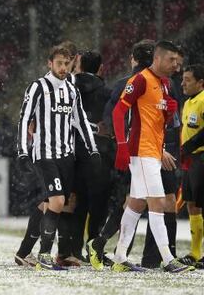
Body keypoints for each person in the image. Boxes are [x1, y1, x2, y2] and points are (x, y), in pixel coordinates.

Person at [108, 40, 193, 273]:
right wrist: (123, 145)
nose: (175, 65)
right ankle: (168, 259)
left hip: (153, 150)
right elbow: (118, 112)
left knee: (136, 203)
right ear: (157, 58)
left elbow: (158, 121)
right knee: (159, 203)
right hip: (142, 151)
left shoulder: (164, 84)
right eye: (171, 60)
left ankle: (120, 257)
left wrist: (167, 114)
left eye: (177, 61)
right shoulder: (140, 80)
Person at [16, 45, 99, 270]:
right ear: (49, 63)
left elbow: (79, 120)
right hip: (44, 154)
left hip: (66, 155)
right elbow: (25, 119)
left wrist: (93, 150)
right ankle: (44, 253)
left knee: (48, 205)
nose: (63, 68)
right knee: (58, 202)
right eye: (59, 63)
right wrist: (23, 150)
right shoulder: (37, 87)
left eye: (67, 63)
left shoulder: (72, 90)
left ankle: (23, 253)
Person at [87, 39, 155, 268]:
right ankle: (113, 249)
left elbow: (109, 118)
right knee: (136, 201)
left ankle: (109, 247)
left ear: (133, 59)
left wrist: (118, 142)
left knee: (131, 201)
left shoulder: (124, 83)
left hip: (124, 150)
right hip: (141, 152)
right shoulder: (153, 83)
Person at [60, 51, 112, 265]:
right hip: (101, 152)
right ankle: (94, 246)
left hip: (74, 151)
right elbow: (109, 122)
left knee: (75, 202)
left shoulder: (69, 87)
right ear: (100, 69)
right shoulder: (107, 92)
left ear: (78, 66)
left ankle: (72, 249)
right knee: (98, 203)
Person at [177, 64, 204, 269]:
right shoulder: (187, 102)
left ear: (200, 83)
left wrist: (191, 145)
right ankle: (195, 252)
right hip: (191, 160)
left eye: (187, 79)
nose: (183, 83)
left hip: (202, 157)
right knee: (192, 204)